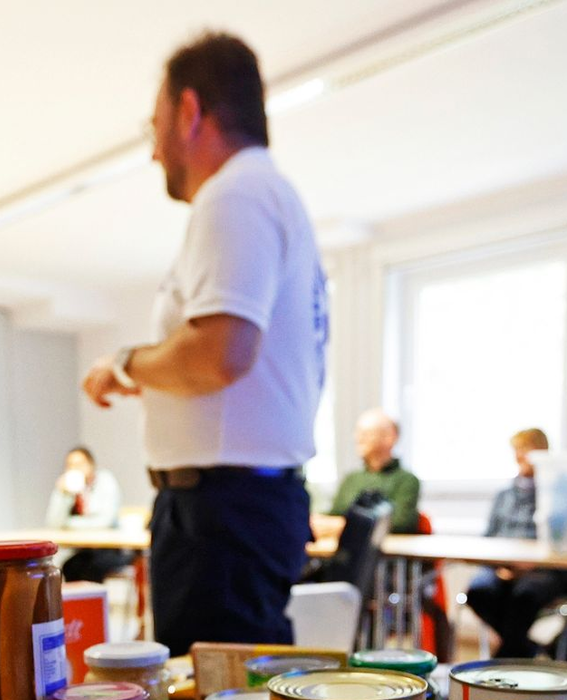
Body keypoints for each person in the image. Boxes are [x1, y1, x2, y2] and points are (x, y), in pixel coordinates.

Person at [80, 32, 327, 655]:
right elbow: (228, 360)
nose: (155, 150)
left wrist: (127, 363)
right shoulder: (267, 194)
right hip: (239, 508)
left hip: (221, 516)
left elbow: (219, 353)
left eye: (155, 125)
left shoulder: (235, 194)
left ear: (190, 112)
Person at [465, 428, 567, 658]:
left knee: (524, 595)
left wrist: (531, 564)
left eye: (526, 450)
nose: (520, 456)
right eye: (517, 450)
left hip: (544, 567)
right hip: (502, 566)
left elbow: (566, 539)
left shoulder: (560, 493)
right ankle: (526, 649)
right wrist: (501, 565)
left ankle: (507, 657)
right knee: (479, 592)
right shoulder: (505, 494)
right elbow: (489, 536)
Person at [313, 411, 421, 539]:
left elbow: (401, 523)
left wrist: (346, 525)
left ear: (390, 438)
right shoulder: (352, 479)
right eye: (358, 433)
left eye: (366, 434)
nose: (358, 438)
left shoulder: (406, 480)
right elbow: (335, 514)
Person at [45, 447, 131, 583]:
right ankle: (75, 604)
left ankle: (96, 603)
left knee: (91, 568)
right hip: (85, 551)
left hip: (111, 549)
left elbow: (106, 521)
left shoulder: (106, 481)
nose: (74, 468)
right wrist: (63, 494)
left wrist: (70, 524)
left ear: (91, 465)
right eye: (70, 465)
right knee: (69, 567)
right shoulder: (68, 489)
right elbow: (54, 522)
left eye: (79, 464)